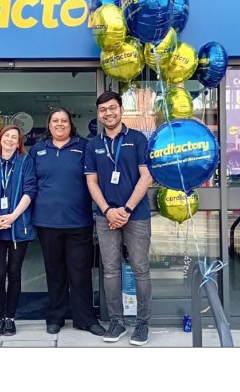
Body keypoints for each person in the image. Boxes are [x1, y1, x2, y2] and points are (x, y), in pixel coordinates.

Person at [85, 91, 153, 345]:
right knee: (111, 271)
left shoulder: (136, 139)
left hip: (136, 215)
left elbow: (146, 177)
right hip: (105, 217)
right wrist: (107, 210)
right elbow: (91, 181)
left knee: (141, 270)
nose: (108, 113)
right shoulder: (93, 144)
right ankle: (116, 322)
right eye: (103, 110)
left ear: (121, 110)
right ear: (99, 114)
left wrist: (125, 210)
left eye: (112, 108)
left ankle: (142, 323)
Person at [31, 108, 105, 336]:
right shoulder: (38, 149)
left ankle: (85, 319)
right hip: (46, 222)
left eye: (64, 121)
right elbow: (29, 185)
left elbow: (95, 178)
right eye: (55, 121)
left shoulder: (84, 146)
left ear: (71, 124)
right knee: (54, 272)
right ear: (49, 124)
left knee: (80, 272)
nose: (60, 124)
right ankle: (56, 317)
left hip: (78, 221)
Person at [0, 125, 37, 337]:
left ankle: (10, 318)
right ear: (0, 139)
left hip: (18, 227)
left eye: (15, 137)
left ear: (19, 142)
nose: (11, 140)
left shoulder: (26, 162)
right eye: (7, 136)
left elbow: (30, 190)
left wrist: (13, 216)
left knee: (14, 275)